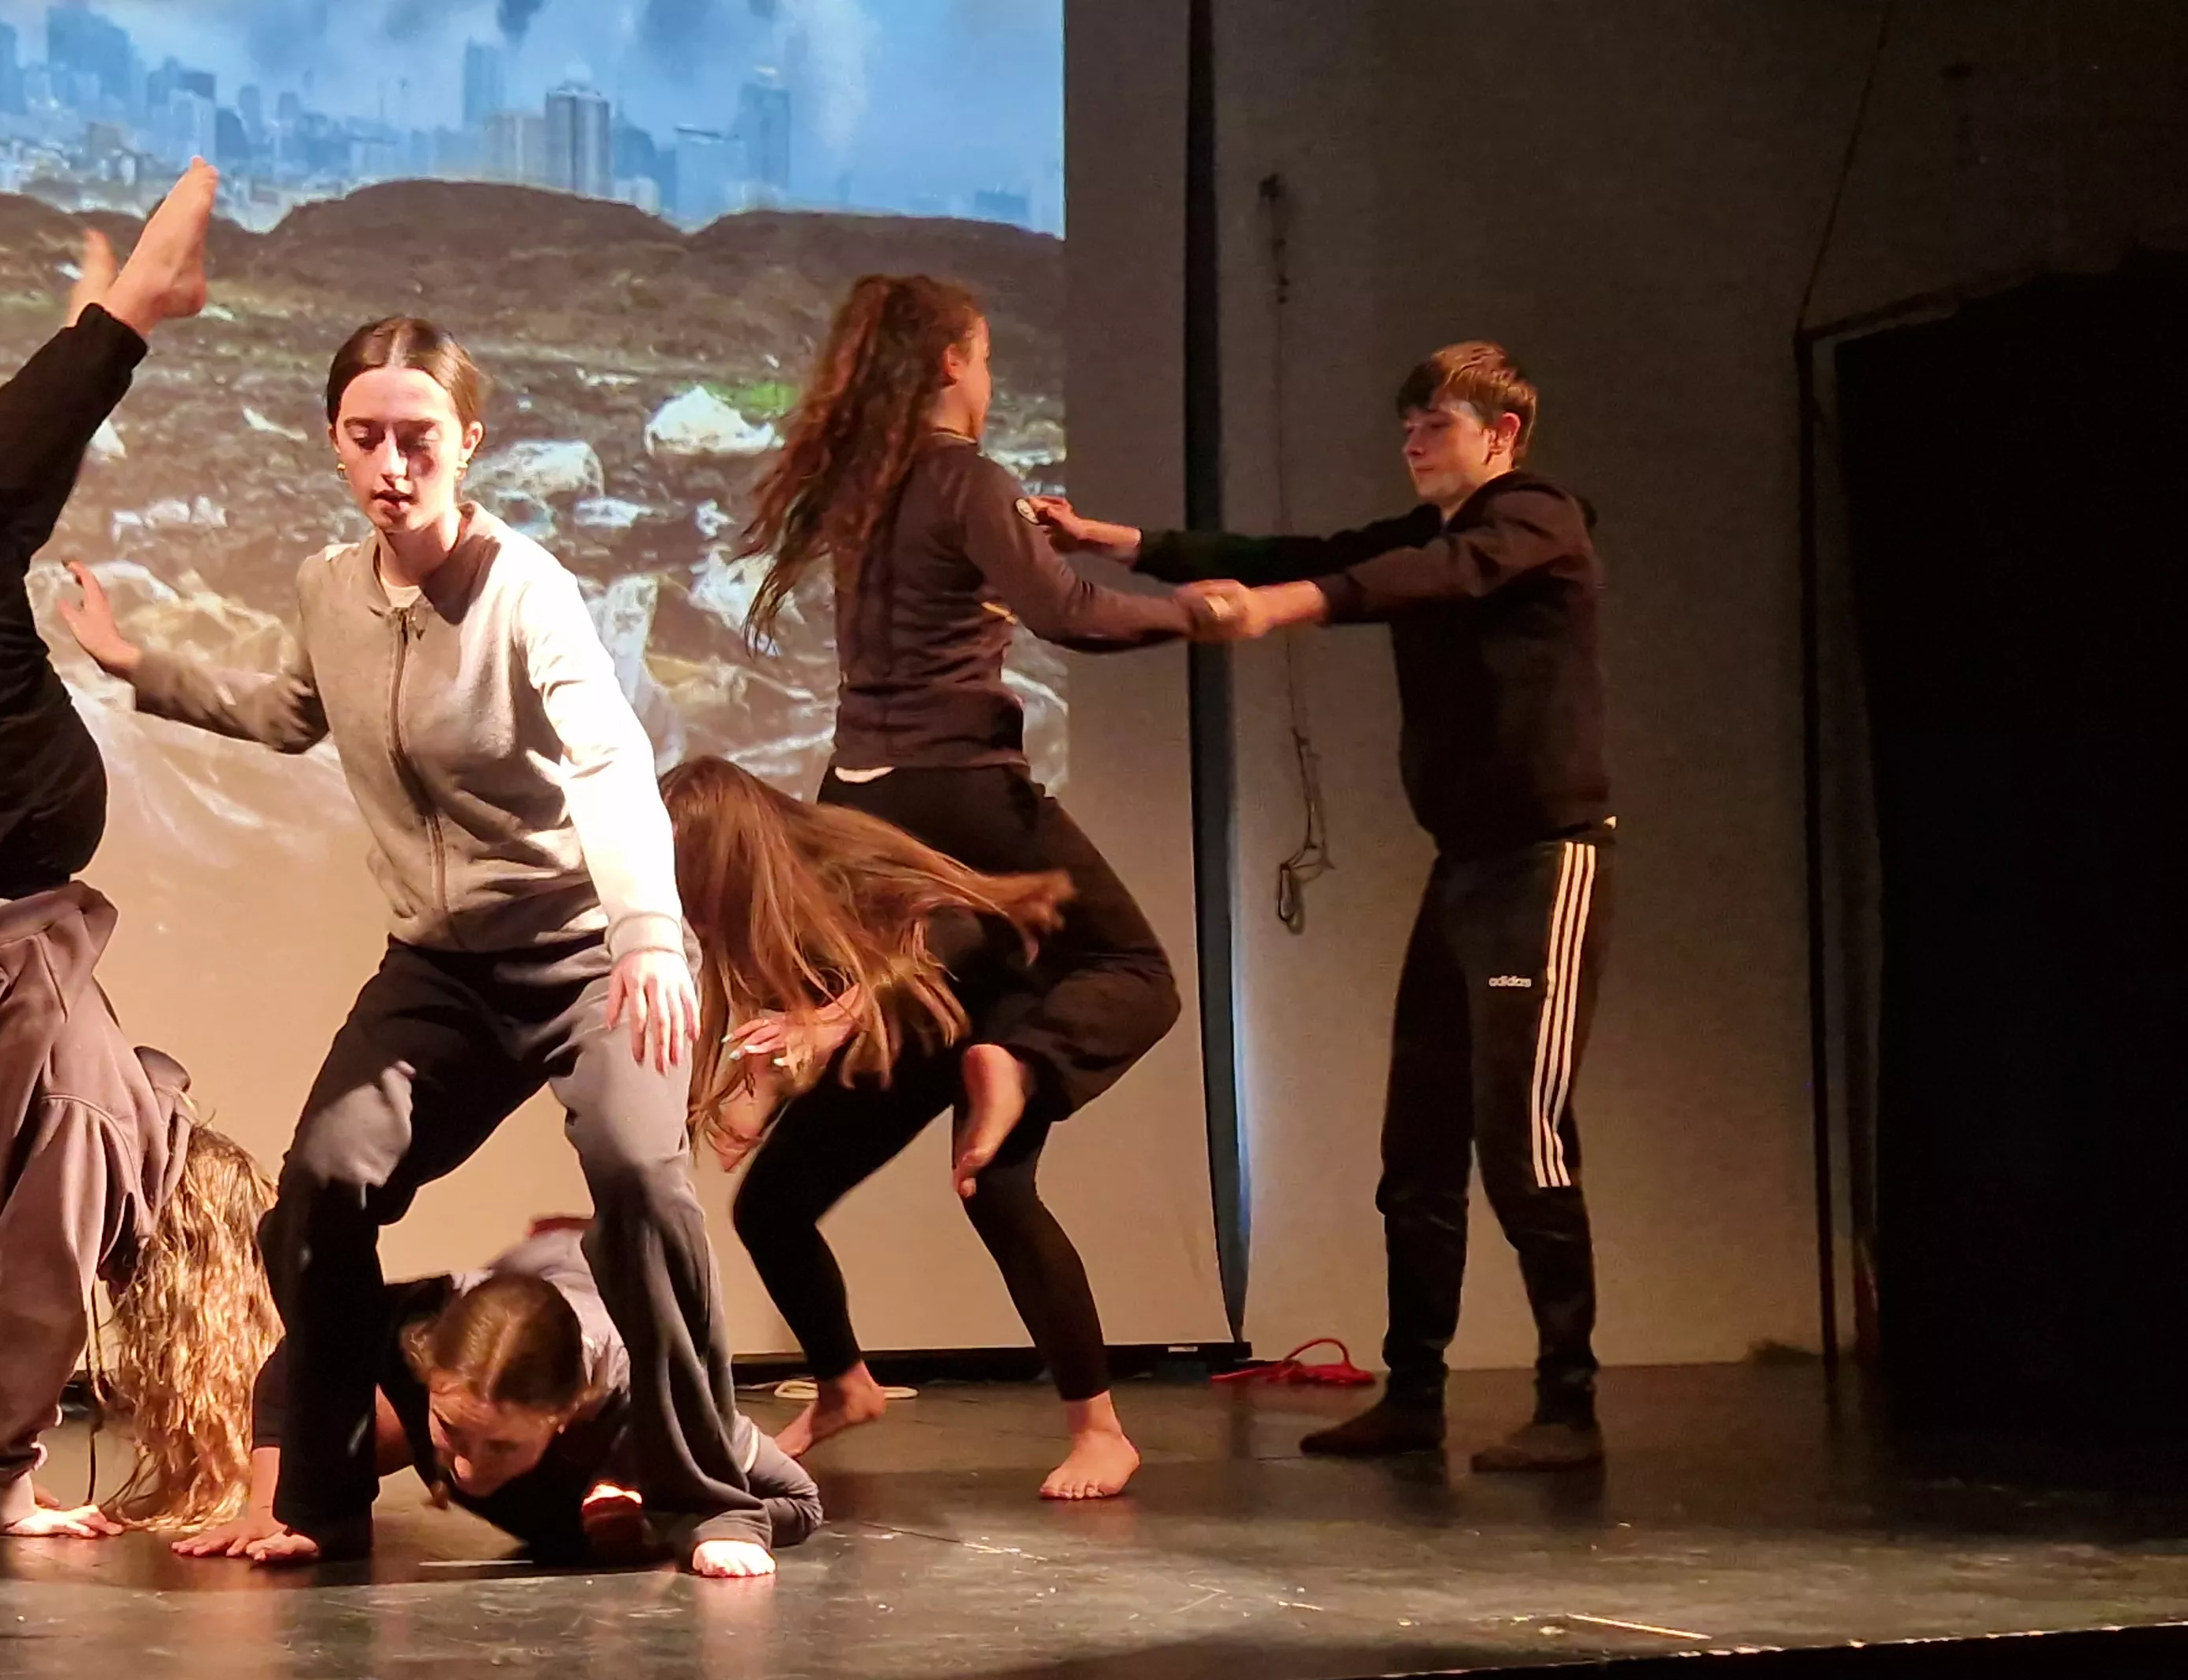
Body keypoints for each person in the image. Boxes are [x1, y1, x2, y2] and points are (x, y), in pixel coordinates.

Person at [55, 314, 785, 1580]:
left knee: (638, 1175)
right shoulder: (330, 589)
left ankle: (711, 1498)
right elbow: (290, 710)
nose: (393, 466)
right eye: (367, 438)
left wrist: (647, 936)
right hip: (442, 972)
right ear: (336, 444)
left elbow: (610, 762)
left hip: (583, 957)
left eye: (420, 439)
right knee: (322, 1188)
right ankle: (320, 1499)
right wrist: (136, 666)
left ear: (469, 443)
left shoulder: (526, 592)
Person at [1031, 341, 1613, 1471]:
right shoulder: (1431, 531)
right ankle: (1416, 1395)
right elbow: (1307, 553)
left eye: (1436, 423)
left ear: (1502, 435)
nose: (1413, 440)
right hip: (1464, 868)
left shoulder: (1539, 519)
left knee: (1524, 1138)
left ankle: (1569, 1405)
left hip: (1546, 863)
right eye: (1407, 424)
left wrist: (1282, 610)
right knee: (1418, 1146)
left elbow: (1421, 579)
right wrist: (1122, 543)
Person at [730, 273, 1192, 1490]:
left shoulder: (858, 484)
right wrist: (1200, 612)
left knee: (778, 1202)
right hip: (964, 805)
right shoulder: (962, 477)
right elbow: (1068, 614)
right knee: (1136, 975)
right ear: (950, 363)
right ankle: (1097, 1424)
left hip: (857, 818)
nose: (987, 381)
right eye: (982, 358)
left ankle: (845, 1381)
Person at [0, 161, 279, 1536]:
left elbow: (14, 1259)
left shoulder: (93, 1122)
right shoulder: (103, 1117)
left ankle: (123, 324)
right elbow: (23, 1259)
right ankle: (115, 326)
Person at [666, 755, 1158, 1500]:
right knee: (771, 1207)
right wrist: (761, 1087)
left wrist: (833, 1022)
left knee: (995, 1190)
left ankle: (1101, 1433)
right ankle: (844, 1387)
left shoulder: (833, 857)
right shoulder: (755, 911)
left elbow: (961, 931)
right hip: (912, 1023)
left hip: (994, 1002)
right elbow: (800, 1006)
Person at [176, 1220, 821, 1565]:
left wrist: (672, 1526)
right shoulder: (411, 1329)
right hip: (524, 1279)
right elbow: (299, 1357)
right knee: (337, 1439)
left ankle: (592, 1242)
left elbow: (801, 1500)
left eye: (503, 1446)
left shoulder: (652, 1402)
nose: (467, 1467)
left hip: (600, 1316)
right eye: (452, 1429)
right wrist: (277, 1507)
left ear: (566, 1414)